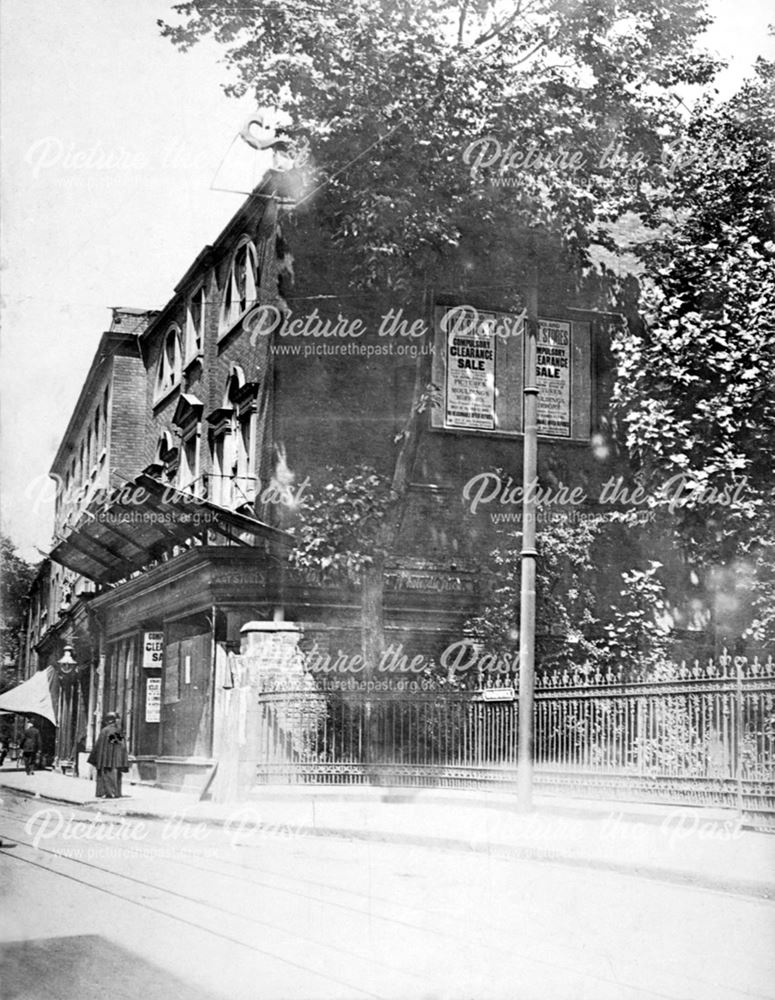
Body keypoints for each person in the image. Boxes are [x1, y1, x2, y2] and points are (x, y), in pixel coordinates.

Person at [87, 712, 129, 798]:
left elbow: (98, 746)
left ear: (107, 721)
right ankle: (115, 792)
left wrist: (96, 758)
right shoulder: (116, 731)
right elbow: (119, 748)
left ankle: (106, 792)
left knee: (105, 774)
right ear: (114, 721)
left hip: (105, 760)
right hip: (114, 761)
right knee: (115, 775)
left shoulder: (105, 731)